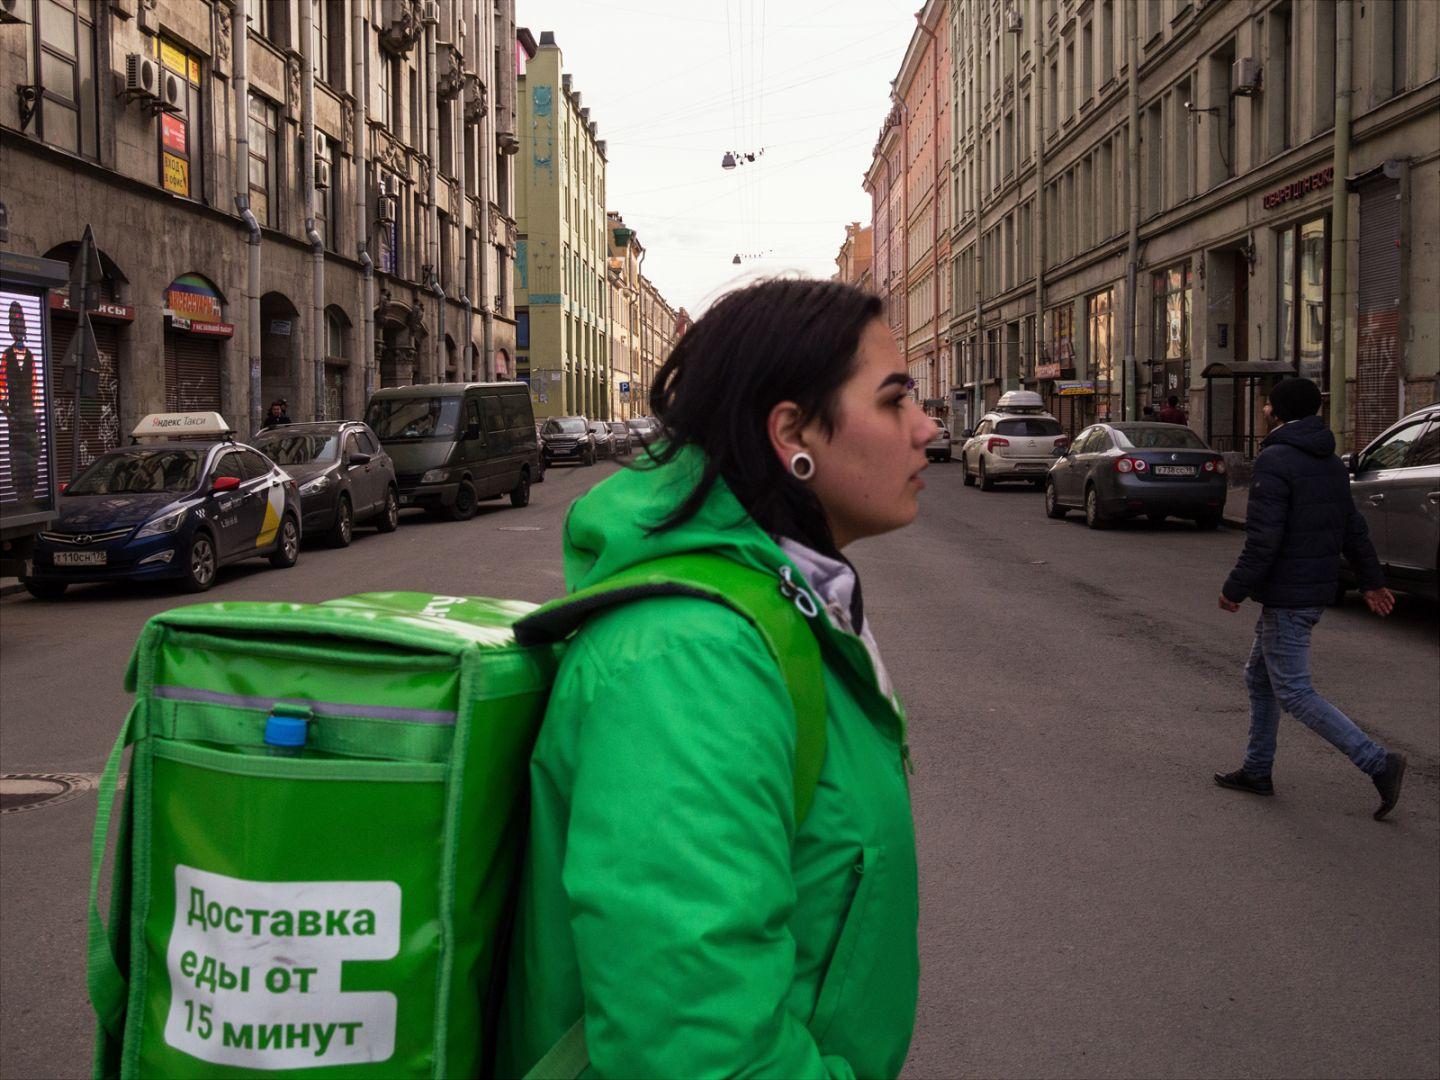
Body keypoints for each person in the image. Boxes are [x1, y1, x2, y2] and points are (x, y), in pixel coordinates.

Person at [497, 279, 929, 1077]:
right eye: (897, 400)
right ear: (792, 432)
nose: (926, 428)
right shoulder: (689, 660)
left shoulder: (784, 603)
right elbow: (697, 1055)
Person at [1215, 376, 1406, 820]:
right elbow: (1353, 527)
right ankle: (1257, 770)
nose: (1263, 411)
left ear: (1277, 412)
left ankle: (1378, 762)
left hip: (1287, 592)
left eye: (1266, 406)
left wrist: (1234, 588)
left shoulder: (1276, 458)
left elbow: (1264, 538)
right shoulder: (1328, 459)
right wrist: (1373, 581)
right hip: (1311, 587)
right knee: (1259, 679)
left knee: (1295, 691)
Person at [0, 299, 44, 500]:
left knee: (32, 464)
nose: (17, 326)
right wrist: (10, 417)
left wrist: (38, 419)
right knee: (19, 465)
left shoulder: (31, 357)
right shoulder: (5, 356)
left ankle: (32, 499)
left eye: (20, 321)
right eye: (13, 322)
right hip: (16, 421)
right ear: (10, 327)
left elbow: (35, 389)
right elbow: (1, 391)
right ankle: (21, 500)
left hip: (30, 421)